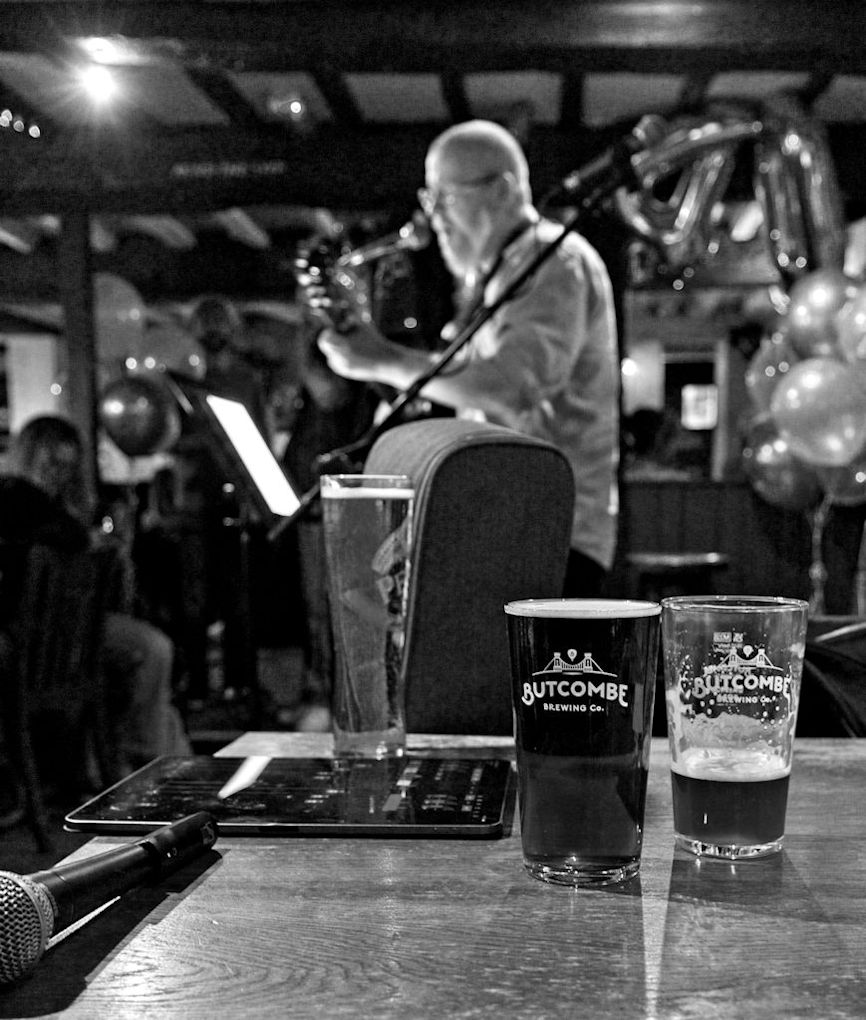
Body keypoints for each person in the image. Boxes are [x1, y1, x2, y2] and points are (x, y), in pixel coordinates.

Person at [315, 119, 620, 595]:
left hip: (551, 532)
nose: (431, 218)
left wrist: (385, 360)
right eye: (427, 199)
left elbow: (510, 387)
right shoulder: (498, 276)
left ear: (501, 191)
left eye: (444, 198)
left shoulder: (553, 260)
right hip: (511, 525)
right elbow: (475, 387)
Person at [0, 415, 191, 774]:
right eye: (51, 464)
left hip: (65, 635)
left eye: (66, 468)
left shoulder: (56, 510)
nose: (57, 475)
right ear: (29, 457)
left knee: (152, 649)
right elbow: (63, 536)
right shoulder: (16, 496)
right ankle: (148, 758)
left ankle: (146, 756)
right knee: (152, 649)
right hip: (43, 635)